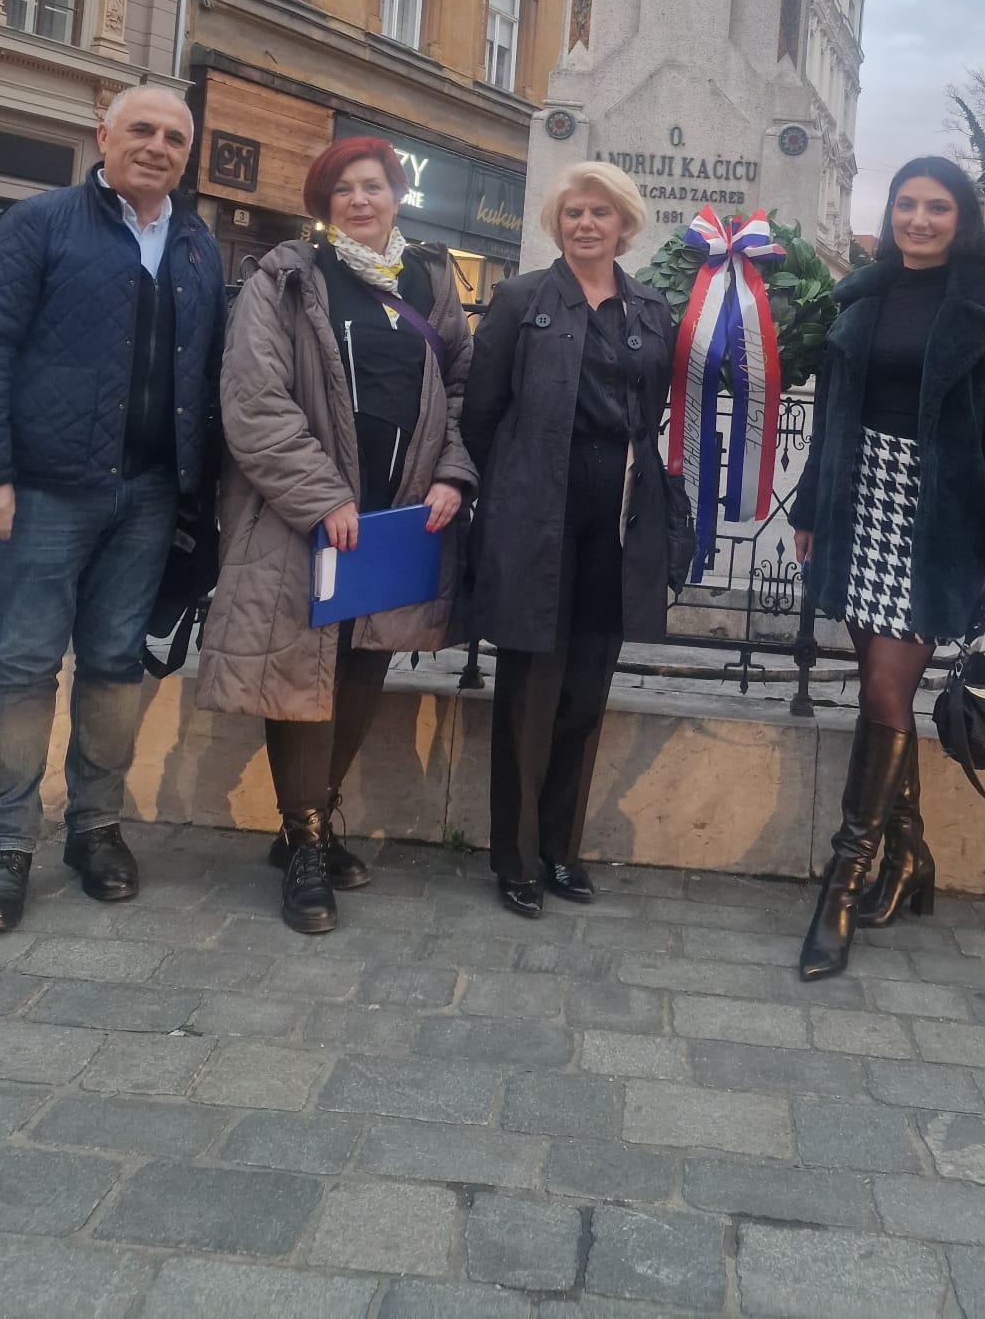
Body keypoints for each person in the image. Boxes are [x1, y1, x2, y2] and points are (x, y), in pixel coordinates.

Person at [0, 87, 226, 935]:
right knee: (24, 664)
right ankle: (6, 846)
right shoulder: (41, 223)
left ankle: (95, 828)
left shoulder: (196, 244)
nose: (157, 145)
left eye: (174, 136)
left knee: (113, 665)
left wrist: (200, 487)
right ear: (102, 134)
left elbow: (208, 370)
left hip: (149, 494)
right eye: (141, 129)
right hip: (44, 489)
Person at [195, 138, 475, 934]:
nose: (360, 199)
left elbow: (464, 385)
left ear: (396, 195)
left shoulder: (429, 281)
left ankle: (304, 828)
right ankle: (308, 846)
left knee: (362, 667)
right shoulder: (287, 278)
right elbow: (254, 398)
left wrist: (452, 472)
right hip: (303, 517)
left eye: (374, 186)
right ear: (323, 204)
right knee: (301, 672)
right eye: (344, 189)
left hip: (396, 516)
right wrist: (320, 497)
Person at [791, 155, 985, 980]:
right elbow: (832, 414)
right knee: (884, 691)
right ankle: (909, 856)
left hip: (940, 515)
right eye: (906, 204)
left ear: (962, 217)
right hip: (858, 499)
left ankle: (843, 879)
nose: (919, 219)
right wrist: (807, 507)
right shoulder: (862, 292)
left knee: (883, 689)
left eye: (937, 206)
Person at [462, 163, 676, 919]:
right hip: (536, 516)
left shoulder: (650, 308)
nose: (586, 224)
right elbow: (481, 412)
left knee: (587, 689)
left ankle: (561, 847)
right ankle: (515, 857)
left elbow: (652, 410)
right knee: (530, 691)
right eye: (575, 212)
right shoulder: (521, 300)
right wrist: (509, 489)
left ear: (624, 225)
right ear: (557, 223)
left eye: (600, 213)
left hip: (615, 520)